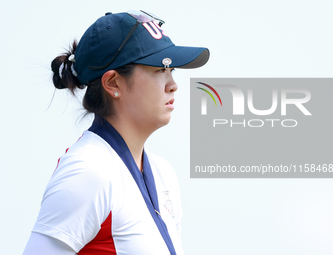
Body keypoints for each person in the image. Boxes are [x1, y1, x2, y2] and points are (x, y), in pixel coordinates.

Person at [22, 10, 209, 255]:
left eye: (172, 70)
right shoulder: (87, 172)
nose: (173, 85)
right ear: (112, 83)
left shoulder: (164, 173)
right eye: (159, 69)